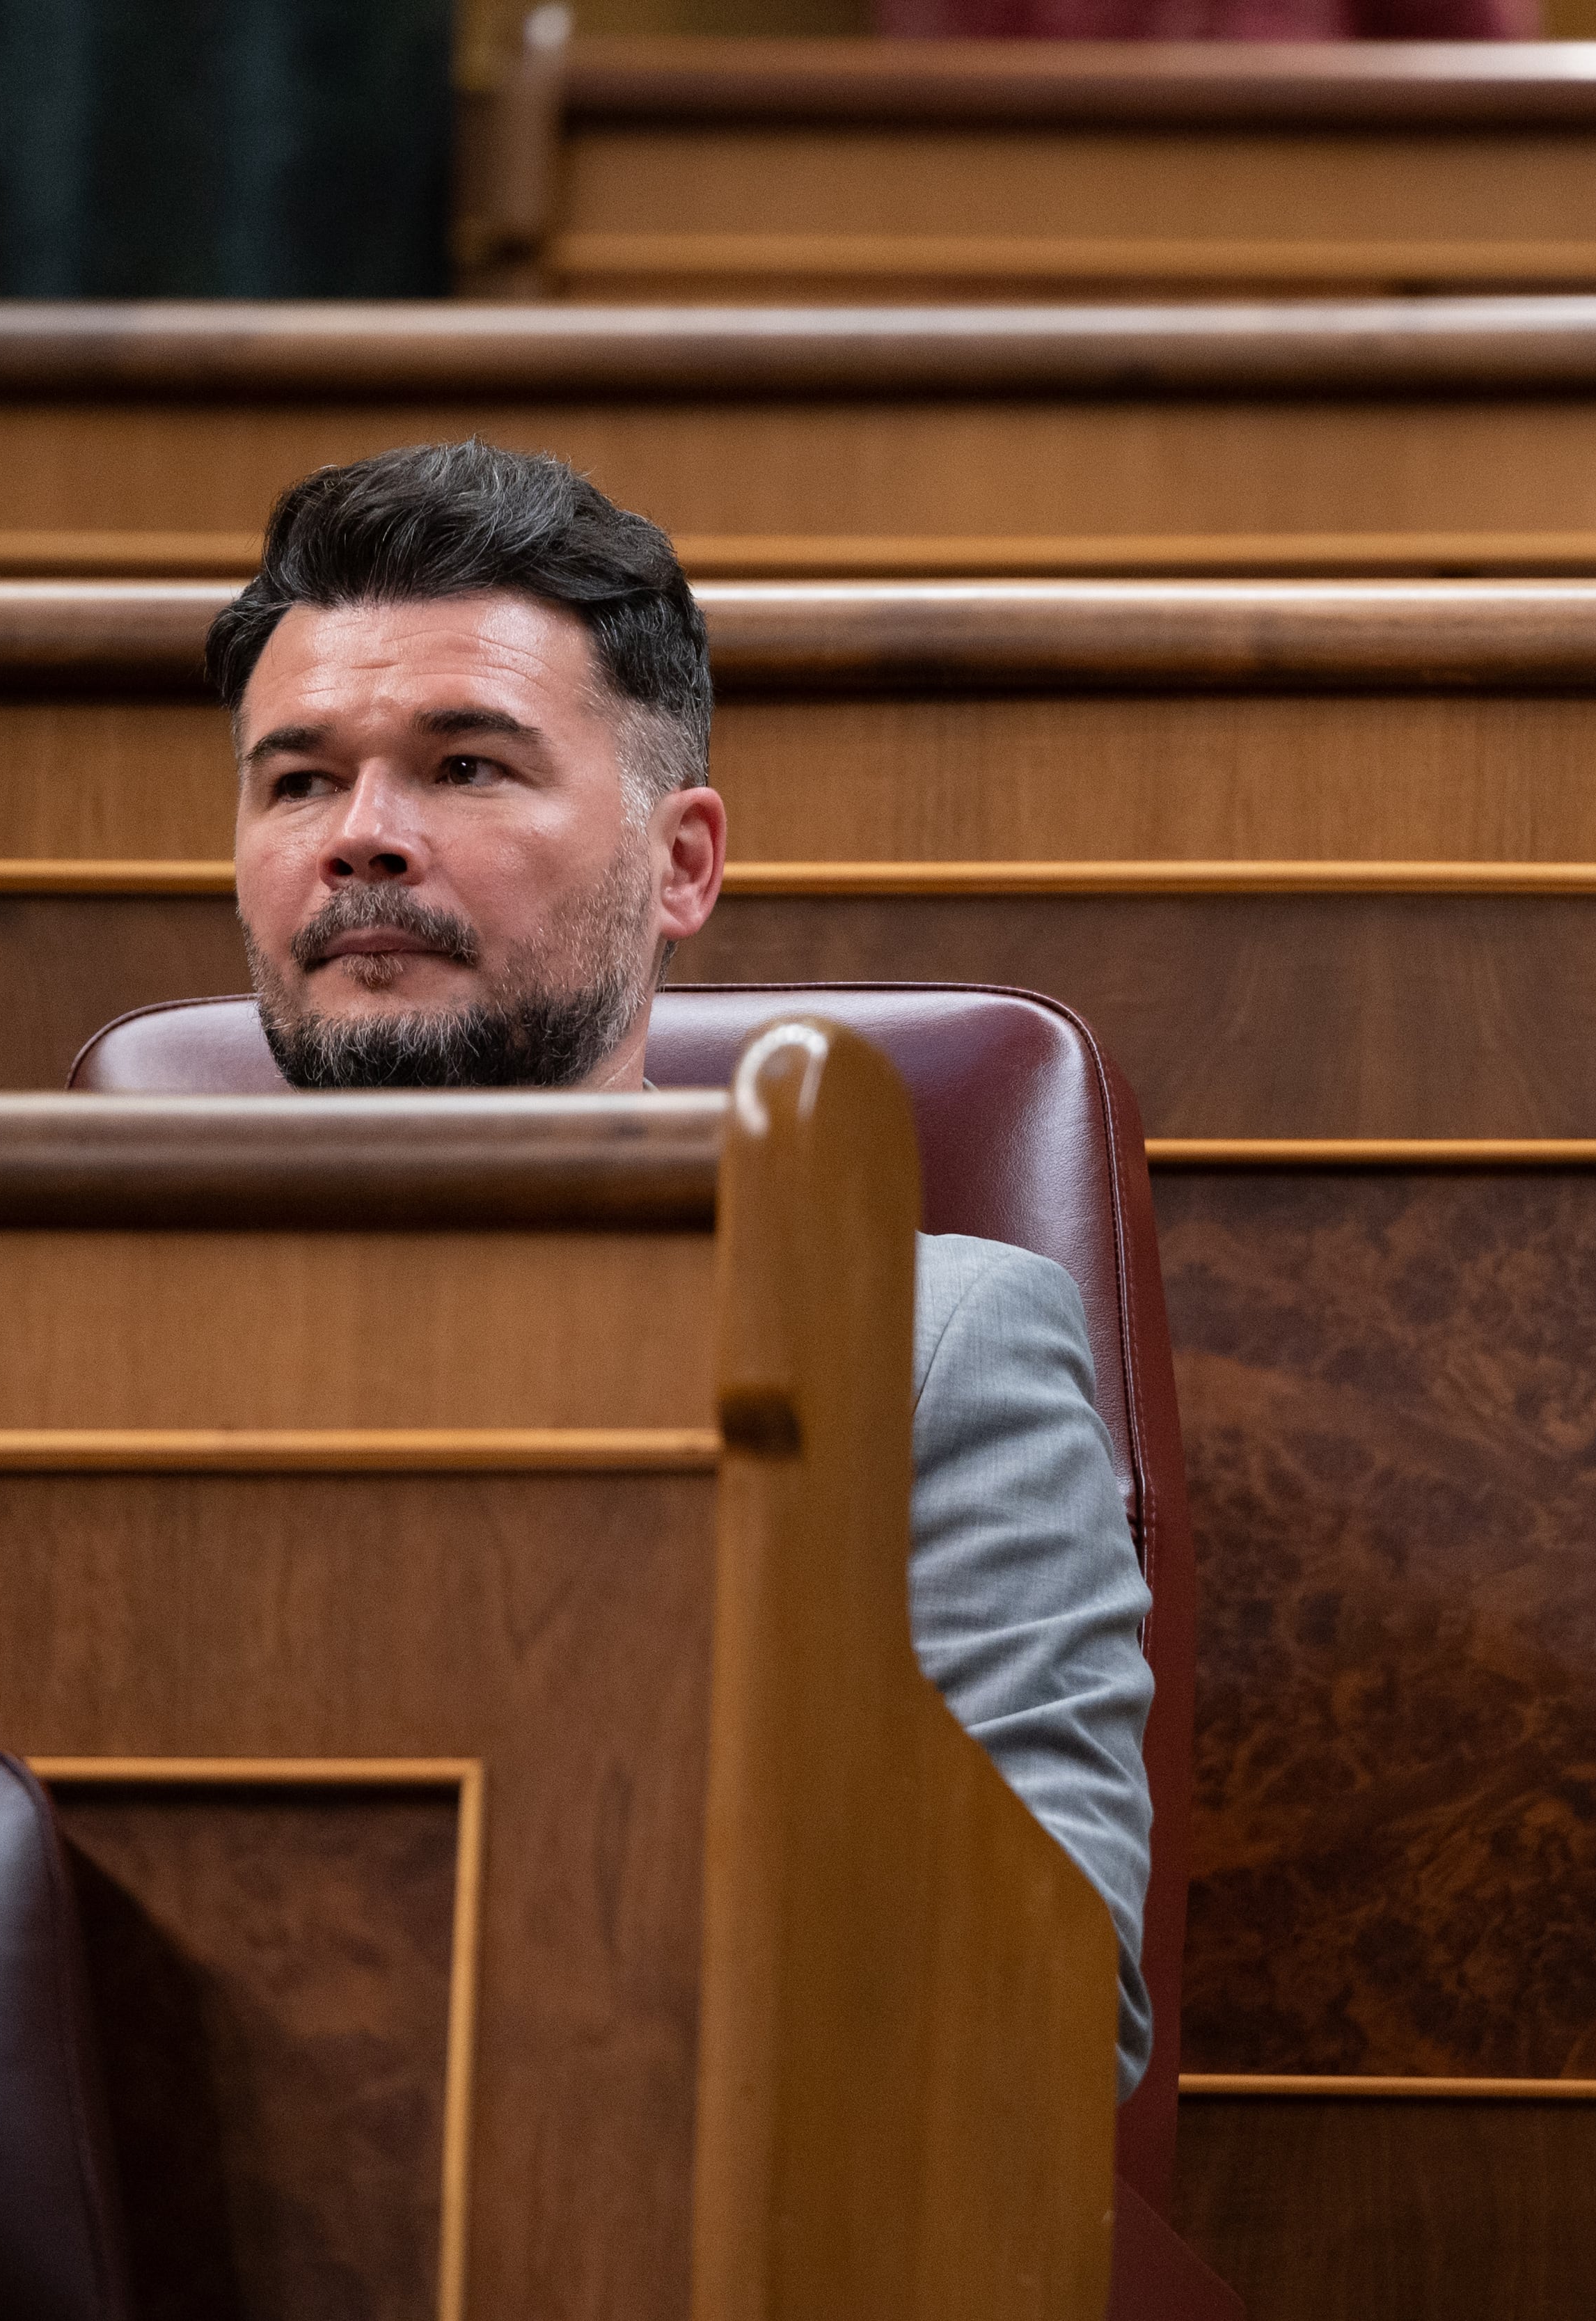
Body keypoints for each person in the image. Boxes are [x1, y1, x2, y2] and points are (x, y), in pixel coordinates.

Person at [203, 439, 1157, 2094]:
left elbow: (1053, 1993)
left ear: (682, 864)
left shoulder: (930, 1346)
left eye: (466, 767)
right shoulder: (79, 1332)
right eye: (297, 781)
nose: (360, 837)